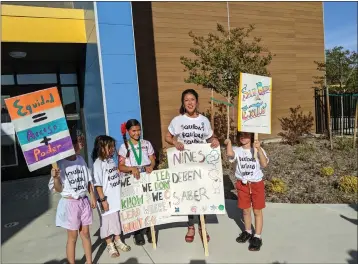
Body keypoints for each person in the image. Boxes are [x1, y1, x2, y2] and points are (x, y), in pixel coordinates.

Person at [165, 89, 219, 243]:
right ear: (183, 103)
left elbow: (210, 138)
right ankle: (191, 226)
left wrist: (214, 141)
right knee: (188, 195)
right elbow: (167, 136)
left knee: (203, 194)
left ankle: (202, 226)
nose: (190, 103)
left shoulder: (204, 120)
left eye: (192, 100)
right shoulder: (177, 120)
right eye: (186, 100)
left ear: (197, 102)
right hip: (185, 165)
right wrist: (175, 142)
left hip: (202, 164)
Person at [48, 132, 96, 264]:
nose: (79, 144)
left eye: (80, 141)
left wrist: (92, 195)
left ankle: (89, 261)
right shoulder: (60, 164)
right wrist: (56, 177)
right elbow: (58, 189)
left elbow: (88, 180)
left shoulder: (81, 159)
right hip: (70, 203)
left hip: (83, 201)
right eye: (76, 142)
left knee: (85, 233)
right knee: (73, 236)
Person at [224, 132, 269, 251]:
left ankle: (257, 236)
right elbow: (230, 154)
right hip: (242, 184)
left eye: (246, 135)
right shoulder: (237, 150)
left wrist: (258, 149)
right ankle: (248, 231)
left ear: (251, 137)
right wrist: (228, 143)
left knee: (257, 211)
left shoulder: (258, 149)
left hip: (256, 184)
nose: (243, 138)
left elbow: (264, 164)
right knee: (245, 210)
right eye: (241, 136)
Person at [92, 135, 131, 258]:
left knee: (116, 221)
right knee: (107, 223)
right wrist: (103, 200)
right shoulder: (98, 163)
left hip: (115, 197)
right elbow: (97, 184)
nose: (113, 149)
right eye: (111, 147)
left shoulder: (110, 160)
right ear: (102, 148)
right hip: (106, 199)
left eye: (113, 147)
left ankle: (118, 240)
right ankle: (110, 244)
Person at [118, 119, 156, 246]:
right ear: (128, 132)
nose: (137, 133)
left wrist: (151, 166)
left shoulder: (146, 143)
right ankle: (138, 232)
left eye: (139, 130)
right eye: (134, 131)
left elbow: (152, 159)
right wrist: (131, 168)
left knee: (148, 204)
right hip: (132, 180)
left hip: (146, 178)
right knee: (136, 207)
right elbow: (121, 166)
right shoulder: (124, 147)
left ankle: (150, 229)